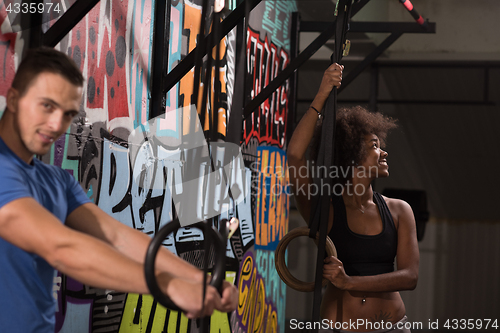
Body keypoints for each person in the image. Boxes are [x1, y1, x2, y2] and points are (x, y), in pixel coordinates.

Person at [0, 47, 238, 332]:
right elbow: (60, 247)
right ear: (13, 99)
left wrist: (201, 281)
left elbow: (116, 236)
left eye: (67, 114)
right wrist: (166, 284)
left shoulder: (55, 181)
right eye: (47, 106)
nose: (56, 125)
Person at [287, 63, 419, 333]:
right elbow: (295, 156)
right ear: (350, 155)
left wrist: (349, 282)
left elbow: (410, 277)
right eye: (374, 146)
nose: (384, 153)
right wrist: (323, 93)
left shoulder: (399, 211)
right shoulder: (325, 208)